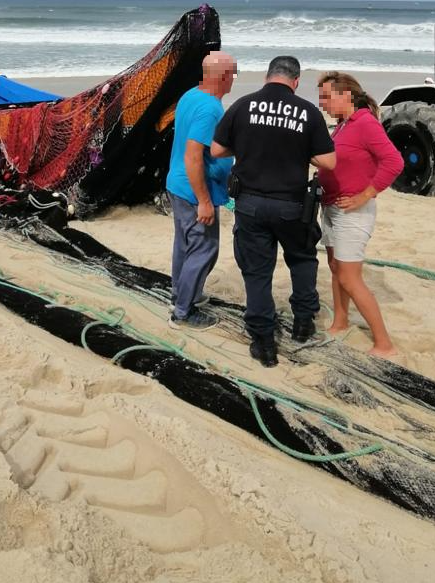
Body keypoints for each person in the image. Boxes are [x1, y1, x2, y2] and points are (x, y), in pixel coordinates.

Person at [211, 56, 336, 367]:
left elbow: (216, 150)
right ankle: (303, 323)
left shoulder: (243, 105)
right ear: (295, 81)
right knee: (303, 260)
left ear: (268, 76)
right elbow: (329, 161)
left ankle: (263, 341)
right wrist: (300, 152)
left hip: (250, 204)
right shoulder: (307, 112)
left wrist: (247, 147)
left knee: (256, 272)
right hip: (292, 205)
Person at [316, 71, 403, 358]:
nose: (322, 103)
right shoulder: (342, 125)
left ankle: (384, 344)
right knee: (336, 270)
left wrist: (366, 194)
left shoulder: (365, 122)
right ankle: (340, 322)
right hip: (330, 206)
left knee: (351, 278)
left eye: (326, 97)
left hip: (353, 212)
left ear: (346, 96)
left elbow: (393, 162)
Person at [165, 51, 237, 331]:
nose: (234, 79)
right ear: (222, 77)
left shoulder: (191, 94)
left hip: (179, 184)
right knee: (205, 248)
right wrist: (205, 201)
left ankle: (182, 294)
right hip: (194, 190)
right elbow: (193, 156)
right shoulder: (209, 109)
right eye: (232, 73)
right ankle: (184, 311)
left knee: (185, 244)